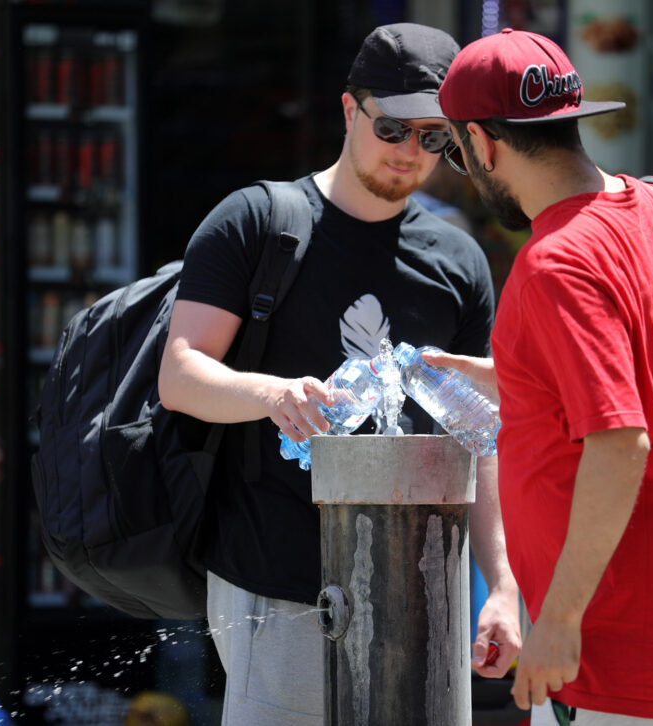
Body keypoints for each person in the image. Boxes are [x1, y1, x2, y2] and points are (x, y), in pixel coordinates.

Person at [157, 22, 521, 726]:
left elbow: (480, 435)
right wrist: (273, 395)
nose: (411, 153)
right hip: (281, 583)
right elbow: (181, 374)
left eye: (435, 137)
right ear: (350, 110)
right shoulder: (259, 222)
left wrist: (502, 584)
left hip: (427, 591)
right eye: (392, 129)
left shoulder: (459, 260)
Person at [425, 28, 653, 725]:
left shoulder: (555, 263)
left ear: (482, 143)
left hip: (616, 659)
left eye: (456, 149)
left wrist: (561, 620)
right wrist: (513, 376)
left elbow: (620, 441)